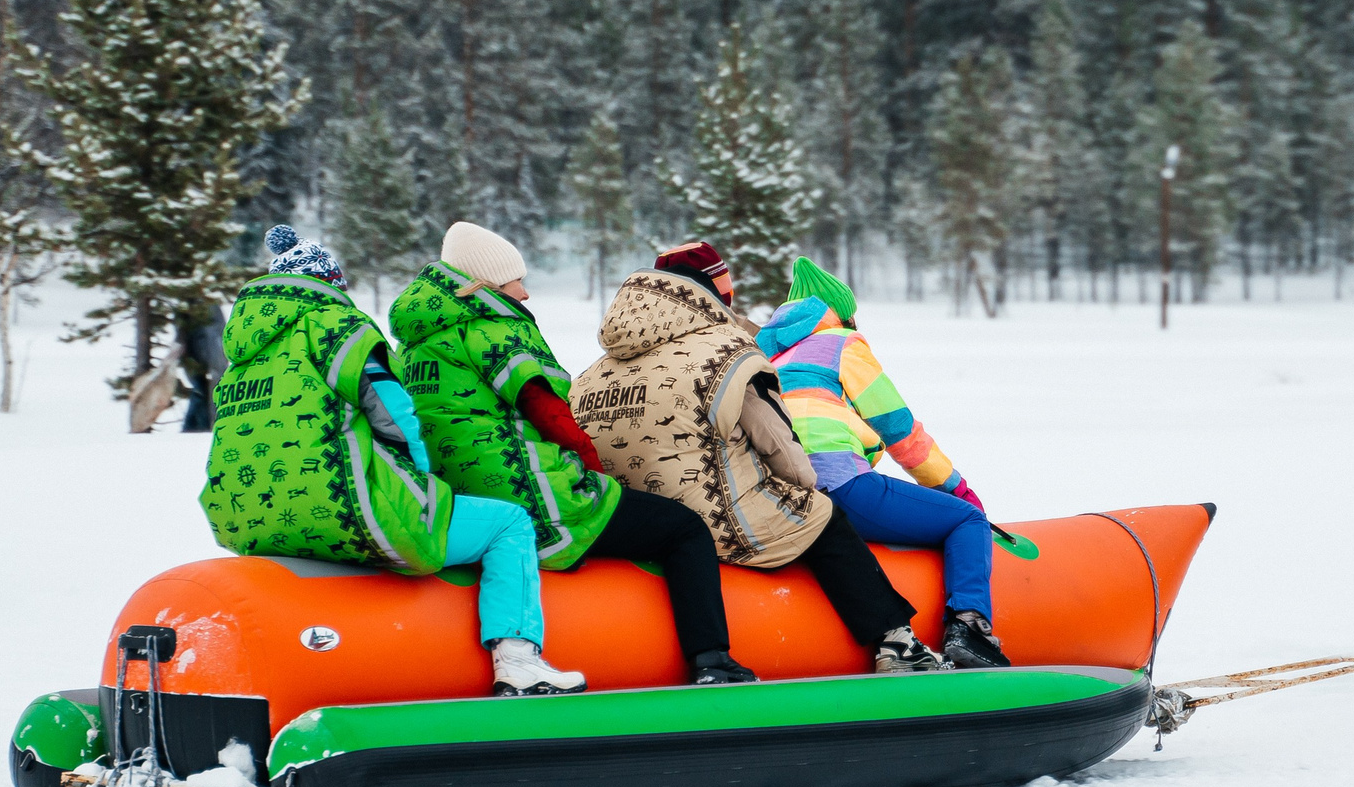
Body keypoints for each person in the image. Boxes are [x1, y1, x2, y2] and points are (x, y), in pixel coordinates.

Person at [200, 225, 582, 696]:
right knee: (509, 523)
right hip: (350, 509)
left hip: (251, 522)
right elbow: (395, 414)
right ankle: (519, 658)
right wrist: (421, 482)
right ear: (331, 284)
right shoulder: (338, 327)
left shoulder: (244, 355)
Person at [387, 221, 762, 686]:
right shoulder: (493, 328)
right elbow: (551, 412)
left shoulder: (413, 347)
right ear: (483, 286)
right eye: (514, 281)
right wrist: (595, 472)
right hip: (532, 492)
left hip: (466, 497)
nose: (523, 293)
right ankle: (712, 658)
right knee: (683, 529)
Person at [569, 241, 938, 673]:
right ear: (715, 293)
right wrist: (804, 488)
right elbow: (784, 451)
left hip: (629, 517)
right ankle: (896, 641)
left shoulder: (595, 370)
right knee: (822, 516)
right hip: (711, 516)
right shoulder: (730, 353)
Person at [757, 255, 1009, 670]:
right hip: (838, 483)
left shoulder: (771, 360)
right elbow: (900, 431)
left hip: (783, 498)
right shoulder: (842, 344)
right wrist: (956, 489)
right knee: (965, 519)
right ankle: (969, 627)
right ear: (840, 314)